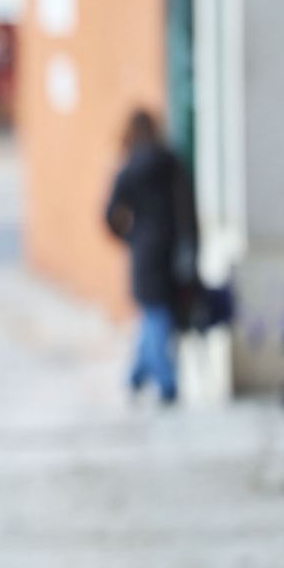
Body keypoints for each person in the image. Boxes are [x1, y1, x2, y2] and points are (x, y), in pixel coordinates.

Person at [106, 108, 194, 405]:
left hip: (144, 249)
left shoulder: (129, 169)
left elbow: (109, 214)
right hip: (169, 248)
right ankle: (149, 375)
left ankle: (157, 379)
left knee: (154, 312)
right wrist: (190, 244)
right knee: (156, 313)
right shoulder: (171, 162)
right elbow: (187, 210)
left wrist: (129, 237)